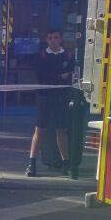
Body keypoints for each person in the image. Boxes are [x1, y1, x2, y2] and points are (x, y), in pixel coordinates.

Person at [27, 28, 75, 177]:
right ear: (46, 40)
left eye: (56, 37)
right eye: (50, 38)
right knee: (39, 130)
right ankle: (32, 163)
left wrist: (60, 75)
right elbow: (41, 75)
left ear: (60, 39)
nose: (53, 40)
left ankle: (65, 162)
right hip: (44, 97)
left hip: (61, 98)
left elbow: (70, 74)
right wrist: (60, 74)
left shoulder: (68, 55)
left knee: (62, 130)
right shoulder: (41, 55)